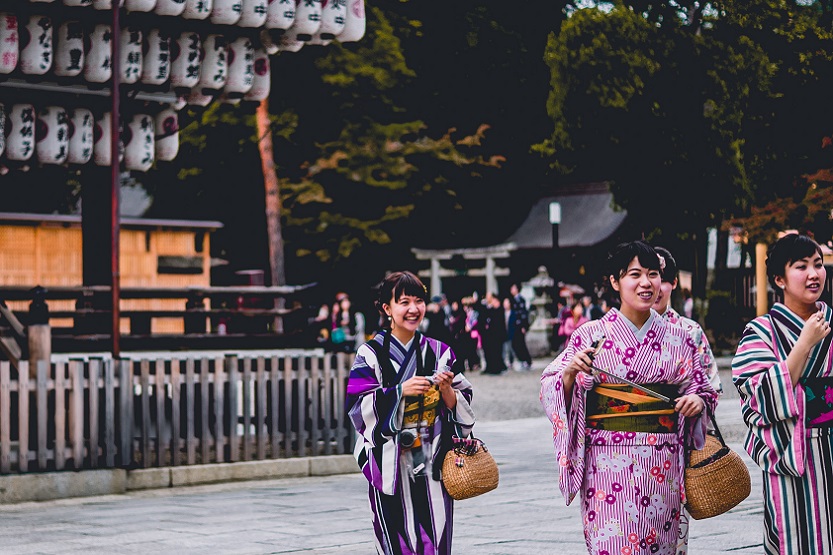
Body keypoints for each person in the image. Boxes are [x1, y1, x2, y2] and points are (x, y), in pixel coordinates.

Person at [540, 240, 717, 555]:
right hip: (606, 466)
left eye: (653, 274)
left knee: (660, 546)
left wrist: (697, 402)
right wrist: (569, 375)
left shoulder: (680, 338)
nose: (646, 283)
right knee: (613, 544)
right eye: (635, 274)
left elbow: (701, 388)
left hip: (663, 463)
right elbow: (551, 383)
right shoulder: (589, 336)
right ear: (614, 281)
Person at [346, 271, 476, 555]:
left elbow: (464, 400)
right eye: (404, 302)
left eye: (419, 301)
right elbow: (358, 407)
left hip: (432, 462)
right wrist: (399, 391)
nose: (413, 309)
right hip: (391, 462)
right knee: (395, 541)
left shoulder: (440, 352)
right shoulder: (370, 354)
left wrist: (447, 392)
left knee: (436, 538)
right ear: (386, 308)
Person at [732, 233, 833, 554]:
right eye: (801, 267)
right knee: (799, 538)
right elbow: (759, 396)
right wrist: (804, 344)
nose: (814, 274)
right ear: (779, 279)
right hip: (795, 454)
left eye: (818, 265)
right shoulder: (760, 332)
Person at [652, 245, 722, 554]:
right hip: (618, 455)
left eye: (660, 277)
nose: (652, 286)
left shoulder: (689, 332)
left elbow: (711, 386)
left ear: (674, 283)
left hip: (674, 449)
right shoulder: (604, 333)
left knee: (671, 538)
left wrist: (699, 401)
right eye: (640, 275)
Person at [509, 283, 533, 370]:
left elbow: (523, 313)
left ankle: (526, 360)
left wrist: (523, 326)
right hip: (516, 326)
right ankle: (522, 360)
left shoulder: (520, 299)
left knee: (521, 344)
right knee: (516, 344)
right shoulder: (514, 300)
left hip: (520, 326)